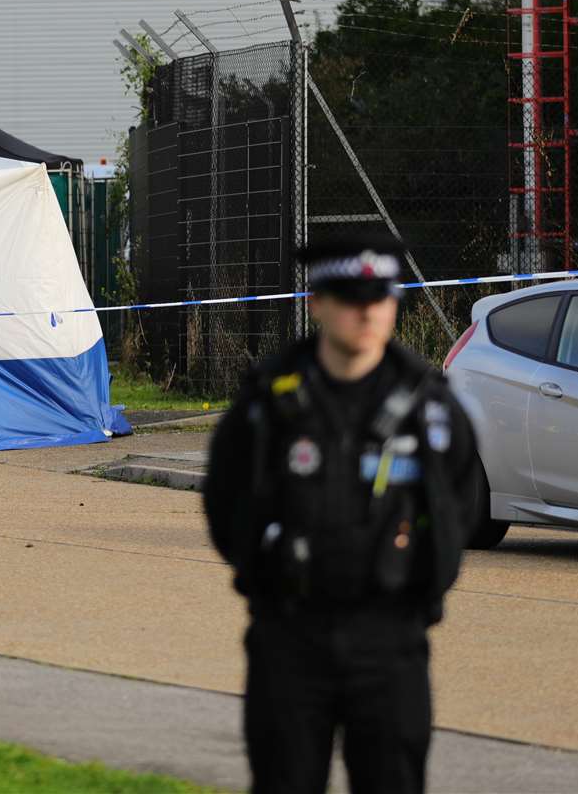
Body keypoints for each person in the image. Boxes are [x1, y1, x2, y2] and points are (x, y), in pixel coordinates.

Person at [203, 230, 482, 794]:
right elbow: (225, 502)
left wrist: (420, 591)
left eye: (378, 298)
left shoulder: (429, 407)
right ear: (317, 302)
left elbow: (462, 504)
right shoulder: (268, 403)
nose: (366, 312)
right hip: (289, 638)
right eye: (350, 299)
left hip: (391, 644)